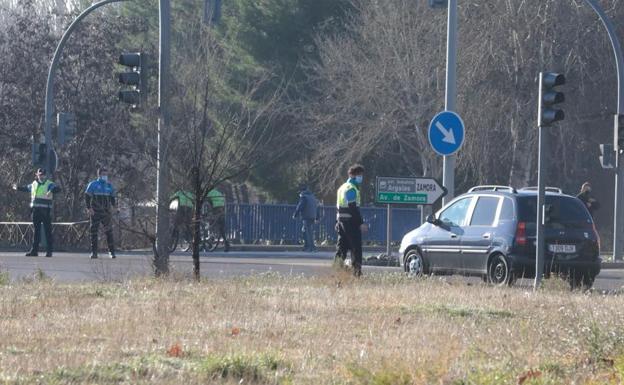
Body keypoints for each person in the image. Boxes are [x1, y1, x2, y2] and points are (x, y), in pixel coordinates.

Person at [12, 168, 61, 257]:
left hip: (46, 211)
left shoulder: (49, 184)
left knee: (47, 231)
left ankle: (49, 251)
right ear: (37, 175)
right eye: (40, 175)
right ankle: (34, 251)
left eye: (43, 175)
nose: (42, 176)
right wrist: (17, 188)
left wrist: (51, 190)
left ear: (46, 176)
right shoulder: (34, 184)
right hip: (35, 211)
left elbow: (57, 189)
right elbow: (26, 188)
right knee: (36, 232)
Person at [335, 164, 368, 276]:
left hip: (341, 222)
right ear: (353, 175)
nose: (361, 177)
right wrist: (361, 223)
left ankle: (336, 271)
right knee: (356, 248)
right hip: (351, 223)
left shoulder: (342, 187)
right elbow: (352, 206)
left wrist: (337, 222)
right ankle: (357, 273)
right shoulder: (351, 188)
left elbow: (338, 207)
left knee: (341, 249)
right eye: (359, 175)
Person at [85, 167, 117, 259]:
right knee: (94, 232)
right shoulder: (93, 184)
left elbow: (112, 198)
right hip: (95, 211)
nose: (105, 176)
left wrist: (115, 207)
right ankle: (94, 252)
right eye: (103, 174)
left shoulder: (109, 185)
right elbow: (87, 196)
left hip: (106, 212)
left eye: (106, 174)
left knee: (109, 231)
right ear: (99, 175)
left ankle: (111, 252)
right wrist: (89, 208)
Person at [292, 185, 319, 251]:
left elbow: (300, 206)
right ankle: (307, 246)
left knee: (307, 231)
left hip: (307, 216)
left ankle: (310, 247)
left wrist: (295, 214)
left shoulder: (304, 197)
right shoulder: (312, 196)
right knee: (306, 230)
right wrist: (317, 217)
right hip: (313, 215)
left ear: (301, 191)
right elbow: (317, 207)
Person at [206, 187, 230, 252]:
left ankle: (210, 241)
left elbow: (206, 201)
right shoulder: (218, 192)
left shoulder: (208, 193)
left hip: (215, 208)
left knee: (211, 224)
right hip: (222, 209)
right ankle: (226, 243)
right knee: (221, 228)